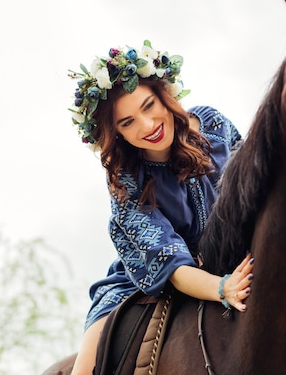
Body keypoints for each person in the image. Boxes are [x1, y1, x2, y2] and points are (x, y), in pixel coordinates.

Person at [67, 40, 253, 375]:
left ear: (165, 95)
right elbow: (169, 262)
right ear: (116, 134)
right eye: (127, 123)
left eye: (149, 105)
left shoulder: (213, 125)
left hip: (230, 252)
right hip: (150, 274)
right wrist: (221, 288)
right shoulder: (127, 183)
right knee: (85, 367)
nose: (147, 126)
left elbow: (254, 187)